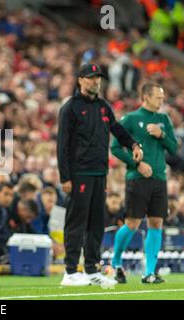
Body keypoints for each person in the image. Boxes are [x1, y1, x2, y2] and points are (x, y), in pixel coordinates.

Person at [57, 63, 143, 287]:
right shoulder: (70, 108)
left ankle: (91, 269)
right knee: (76, 222)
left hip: (99, 172)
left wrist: (133, 143)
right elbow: (62, 145)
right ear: (80, 80)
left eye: (98, 78)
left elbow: (116, 129)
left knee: (96, 223)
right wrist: (65, 177)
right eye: (91, 77)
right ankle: (70, 271)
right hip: (79, 174)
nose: (96, 81)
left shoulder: (104, 107)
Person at [110, 83, 178, 284]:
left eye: (162, 97)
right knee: (132, 223)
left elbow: (174, 148)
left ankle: (149, 272)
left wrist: (162, 134)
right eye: (158, 97)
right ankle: (115, 263)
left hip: (159, 178)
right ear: (146, 97)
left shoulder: (164, 119)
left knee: (156, 222)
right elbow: (115, 147)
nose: (162, 101)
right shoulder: (131, 119)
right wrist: (136, 164)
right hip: (137, 178)